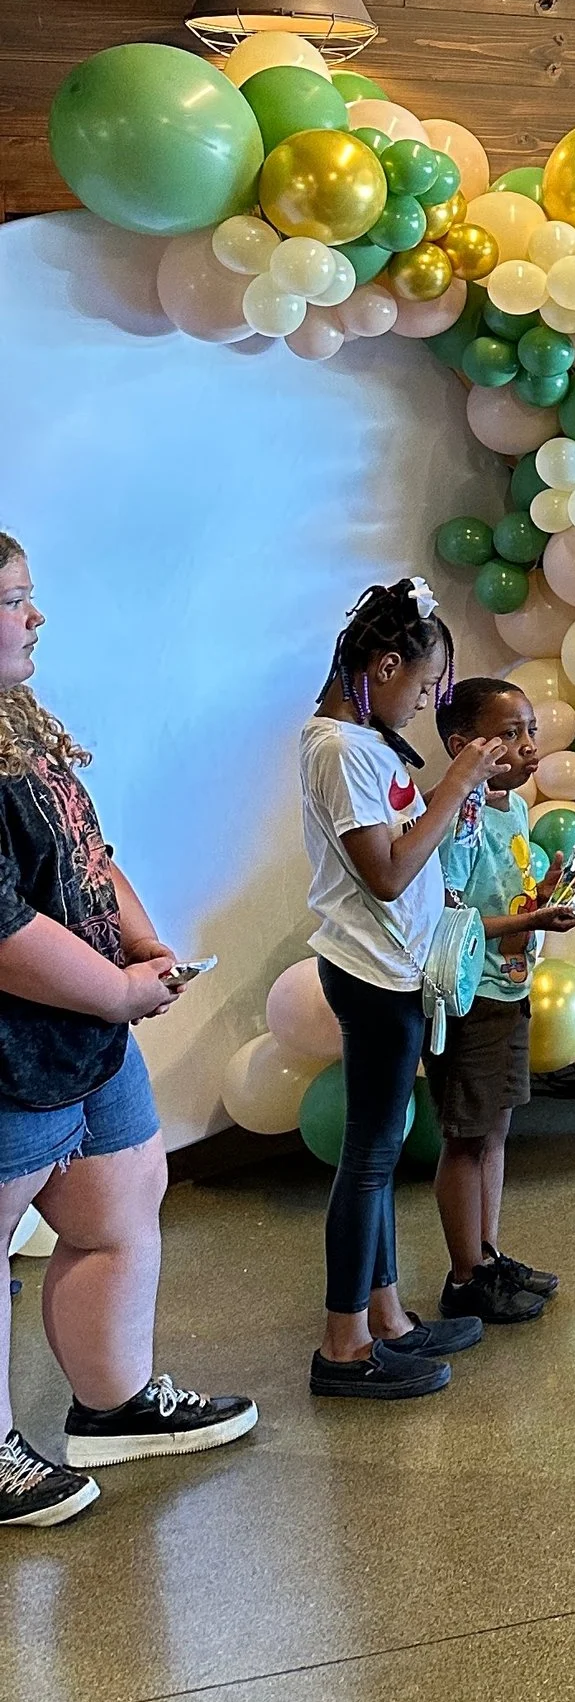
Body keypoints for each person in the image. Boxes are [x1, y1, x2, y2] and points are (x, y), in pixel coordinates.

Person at [0, 534, 255, 1527]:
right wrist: (112, 993)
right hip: (17, 1058)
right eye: (14, 601)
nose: (36, 618)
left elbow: (88, 854)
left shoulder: (23, 724)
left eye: (31, 596)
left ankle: (115, 1406)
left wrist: (139, 947)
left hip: (87, 1045)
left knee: (121, 1206)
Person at [300, 579, 502, 1401]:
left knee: (378, 1158)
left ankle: (388, 1318)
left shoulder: (366, 742)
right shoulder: (338, 749)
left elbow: (405, 843)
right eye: (422, 688)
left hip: (395, 969)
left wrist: (451, 805)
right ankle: (342, 1343)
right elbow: (384, 872)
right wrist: (452, 785)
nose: (426, 704)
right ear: (382, 666)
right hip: (371, 973)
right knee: (370, 1161)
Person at [433, 676, 575, 1325]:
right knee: (467, 1138)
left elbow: (508, 894)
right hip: (474, 996)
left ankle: (486, 1257)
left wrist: (547, 892)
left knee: (495, 1131)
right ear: (463, 744)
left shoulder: (513, 810)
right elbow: (447, 915)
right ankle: (465, 1274)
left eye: (530, 730)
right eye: (510, 733)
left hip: (509, 988)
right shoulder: (455, 818)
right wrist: (530, 923)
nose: (529, 745)